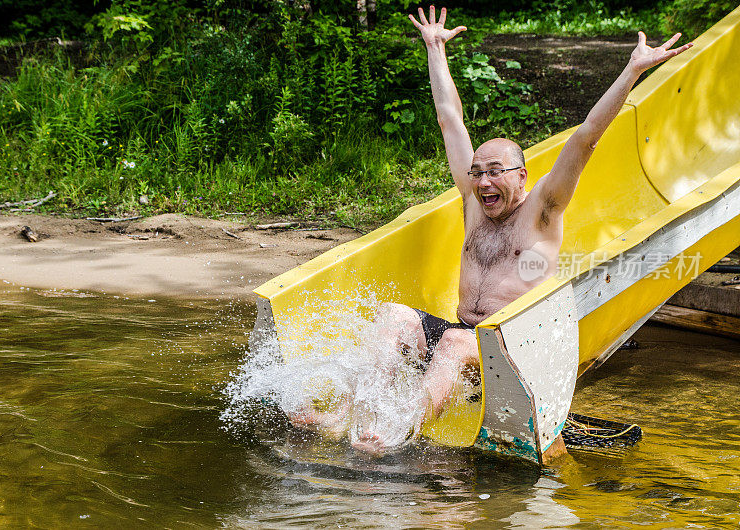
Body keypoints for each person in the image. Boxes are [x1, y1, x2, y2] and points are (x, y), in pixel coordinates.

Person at [293, 5, 692, 455]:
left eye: (495, 171)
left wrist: (632, 70)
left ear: (522, 177)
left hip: (510, 346)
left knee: (457, 344)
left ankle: (399, 430)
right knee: (392, 317)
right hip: (462, 332)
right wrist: (435, 47)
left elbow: (585, 138)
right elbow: (450, 118)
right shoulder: (474, 202)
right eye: (477, 172)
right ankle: (346, 414)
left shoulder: (543, 209)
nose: (483, 181)